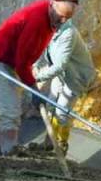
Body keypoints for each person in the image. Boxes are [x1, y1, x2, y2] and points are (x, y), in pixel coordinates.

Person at [0, 0, 79, 155]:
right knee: (11, 111)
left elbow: (31, 56)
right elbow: (22, 61)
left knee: (8, 108)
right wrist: (34, 89)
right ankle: (9, 153)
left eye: (67, 18)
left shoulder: (50, 17)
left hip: (9, 63)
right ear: (52, 5)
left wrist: (33, 86)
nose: (63, 22)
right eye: (61, 16)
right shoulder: (37, 21)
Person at [32, 15, 96, 153]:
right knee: (50, 105)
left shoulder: (68, 34)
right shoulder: (48, 30)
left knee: (61, 111)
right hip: (61, 74)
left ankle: (61, 144)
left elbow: (59, 66)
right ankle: (49, 142)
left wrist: (37, 78)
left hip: (76, 76)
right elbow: (40, 48)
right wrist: (34, 65)